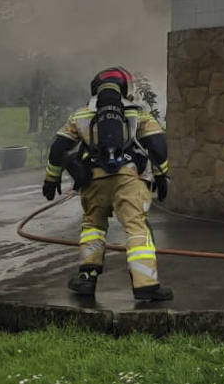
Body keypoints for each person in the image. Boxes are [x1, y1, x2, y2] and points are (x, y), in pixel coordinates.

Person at [42, 66, 174, 302]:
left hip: (94, 182)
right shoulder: (137, 112)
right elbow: (157, 144)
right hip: (129, 179)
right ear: (125, 87)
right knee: (136, 227)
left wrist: (51, 178)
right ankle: (146, 284)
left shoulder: (80, 115)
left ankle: (87, 278)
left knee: (93, 226)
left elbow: (58, 148)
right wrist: (162, 175)